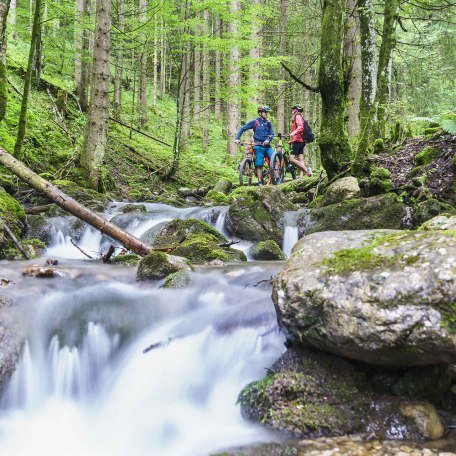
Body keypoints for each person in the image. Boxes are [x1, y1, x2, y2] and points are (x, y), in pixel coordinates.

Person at [235, 106, 275, 186]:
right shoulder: (255, 122)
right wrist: (237, 138)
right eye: (265, 112)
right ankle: (260, 182)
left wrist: (268, 140)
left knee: (275, 160)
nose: (266, 114)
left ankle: (277, 179)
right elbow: (243, 128)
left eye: (267, 112)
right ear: (260, 113)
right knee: (258, 164)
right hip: (258, 146)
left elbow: (272, 134)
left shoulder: (268, 122)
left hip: (267, 146)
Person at [289, 104, 312, 177]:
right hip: (301, 141)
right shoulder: (300, 117)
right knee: (300, 158)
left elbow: (300, 127)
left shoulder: (297, 116)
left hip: (298, 140)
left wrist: (293, 133)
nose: (292, 111)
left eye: (293, 109)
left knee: (291, 159)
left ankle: (306, 170)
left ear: (296, 110)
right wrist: (291, 140)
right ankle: (301, 177)